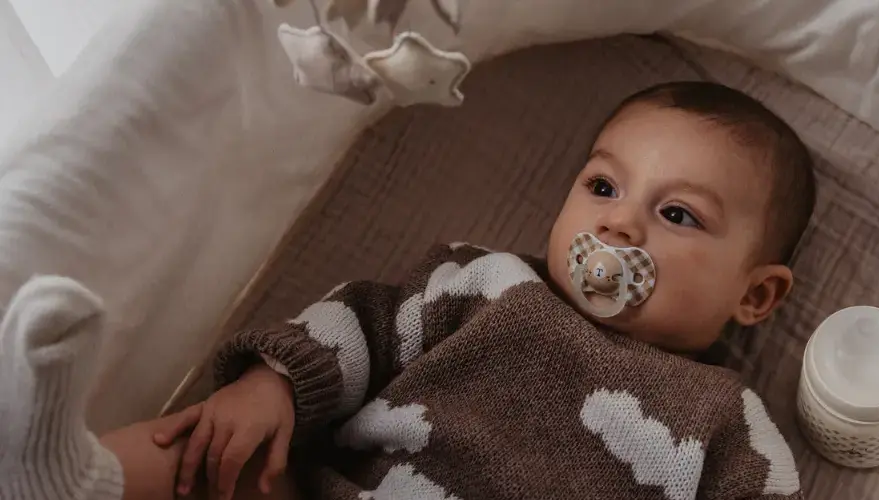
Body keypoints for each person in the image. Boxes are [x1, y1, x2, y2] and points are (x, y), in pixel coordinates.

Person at [0, 81, 816, 500]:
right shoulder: (488, 285)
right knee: (216, 454)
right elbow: (361, 327)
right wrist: (271, 387)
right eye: (602, 186)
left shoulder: (725, 425)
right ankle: (71, 480)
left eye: (677, 214)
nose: (620, 224)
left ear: (754, 296)